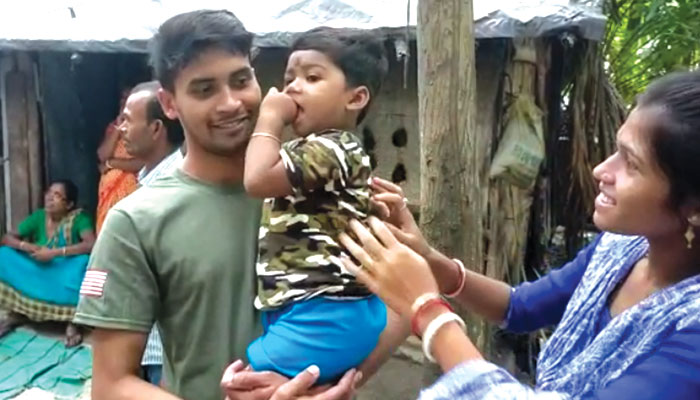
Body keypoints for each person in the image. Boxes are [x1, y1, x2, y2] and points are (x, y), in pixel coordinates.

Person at [337, 71, 700, 399]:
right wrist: (432, 261)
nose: (600, 169)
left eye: (631, 163)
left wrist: (429, 312)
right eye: (615, 150)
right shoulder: (622, 250)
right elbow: (520, 307)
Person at [243, 27, 389, 384]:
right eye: (289, 77)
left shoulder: (335, 147)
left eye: (312, 77)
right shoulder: (316, 151)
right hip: (308, 308)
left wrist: (269, 119)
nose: (293, 87)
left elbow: (256, 180)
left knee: (248, 385)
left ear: (355, 98)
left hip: (325, 310)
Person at [120, 80, 185, 386]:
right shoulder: (150, 181)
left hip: (167, 351)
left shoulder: (171, 189)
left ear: (157, 128)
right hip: (151, 346)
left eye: (127, 120)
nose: (121, 129)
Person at [0, 180, 95, 346]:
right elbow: (7, 238)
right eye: (49, 193)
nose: (50, 198)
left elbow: (91, 244)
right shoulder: (39, 216)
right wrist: (26, 246)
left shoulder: (79, 218)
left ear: (69, 204)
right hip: (39, 268)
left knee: (83, 263)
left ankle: (73, 323)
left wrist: (54, 253)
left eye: (57, 195)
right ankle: (18, 312)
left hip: (62, 270)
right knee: (5, 255)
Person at [95, 89, 144, 234]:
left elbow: (141, 163)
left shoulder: (141, 128)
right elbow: (103, 155)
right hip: (108, 188)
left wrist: (111, 164)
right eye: (122, 99)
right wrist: (118, 127)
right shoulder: (114, 127)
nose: (124, 102)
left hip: (132, 187)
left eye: (128, 98)